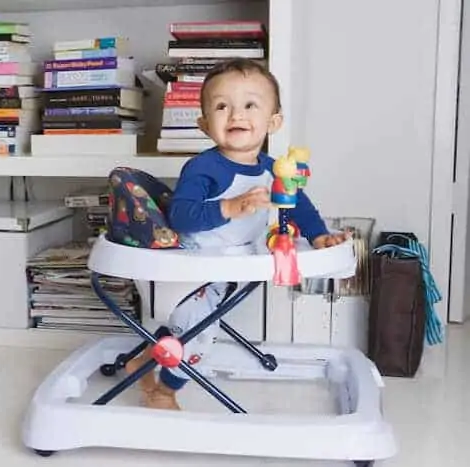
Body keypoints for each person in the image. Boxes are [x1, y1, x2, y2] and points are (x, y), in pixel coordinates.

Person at [125, 58, 348, 410]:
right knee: (198, 338)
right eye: (221, 106)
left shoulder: (274, 168)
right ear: (204, 123)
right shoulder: (203, 167)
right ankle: (165, 391)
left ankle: (142, 360)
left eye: (249, 105)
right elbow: (181, 216)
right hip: (191, 274)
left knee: (190, 330)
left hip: (228, 269)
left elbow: (297, 205)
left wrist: (319, 236)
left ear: (273, 121)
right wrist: (228, 207)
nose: (236, 115)